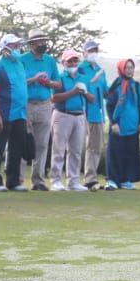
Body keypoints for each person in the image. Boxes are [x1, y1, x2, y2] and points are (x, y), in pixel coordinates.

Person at [20, 29, 62, 190]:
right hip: (27, 104)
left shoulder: (50, 61)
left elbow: (58, 84)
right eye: (40, 41)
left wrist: (48, 83)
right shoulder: (22, 60)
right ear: (31, 44)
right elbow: (18, 82)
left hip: (45, 105)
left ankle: (38, 181)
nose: (43, 44)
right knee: (24, 143)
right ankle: (18, 180)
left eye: (45, 41)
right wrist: (35, 79)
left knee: (42, 144)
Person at [48, 49, 94, 191]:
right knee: (59, 149)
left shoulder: (83, 78)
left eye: (75, 60)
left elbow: (92, 99)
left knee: (75, 151)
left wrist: (85, 92)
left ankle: (73, 181)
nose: (73, 63)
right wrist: (73, 92)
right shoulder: (60, 78)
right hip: (62, 115)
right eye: (70, 61)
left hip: (79, 115)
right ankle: (55, 180)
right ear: (63, 62)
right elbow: (54, 98)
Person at [0, 34, 29, 192]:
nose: (17, 48)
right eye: (14, 46)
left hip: (20, 114)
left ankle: (13, 181)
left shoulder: (19, 64)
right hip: (4, 113)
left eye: (18, 45)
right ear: (5, 48)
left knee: (16, 148)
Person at [105, 58, 140, 189]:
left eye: (131, 68)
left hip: (132, 126)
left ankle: (125, 179)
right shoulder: (116, 85)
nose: (129, 70)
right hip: (118, 126)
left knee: (129, 153)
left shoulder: (137, 86)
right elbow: (110, 106)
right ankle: (112, 179)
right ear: (121, 69)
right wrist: (114, 123)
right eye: (127, 67)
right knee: (115, 152)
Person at [78, 39, 108, 191]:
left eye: (95, 50)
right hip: (84, 111)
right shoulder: (81, 68)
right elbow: (81, 86)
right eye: (90, 51)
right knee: (85, 146)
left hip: (98, 112)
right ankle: (85, 178)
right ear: (84, 53)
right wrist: (93, 80)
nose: (93, 53)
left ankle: (92, 177)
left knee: (95, 146)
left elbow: (105, 91)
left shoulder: (101, 69)